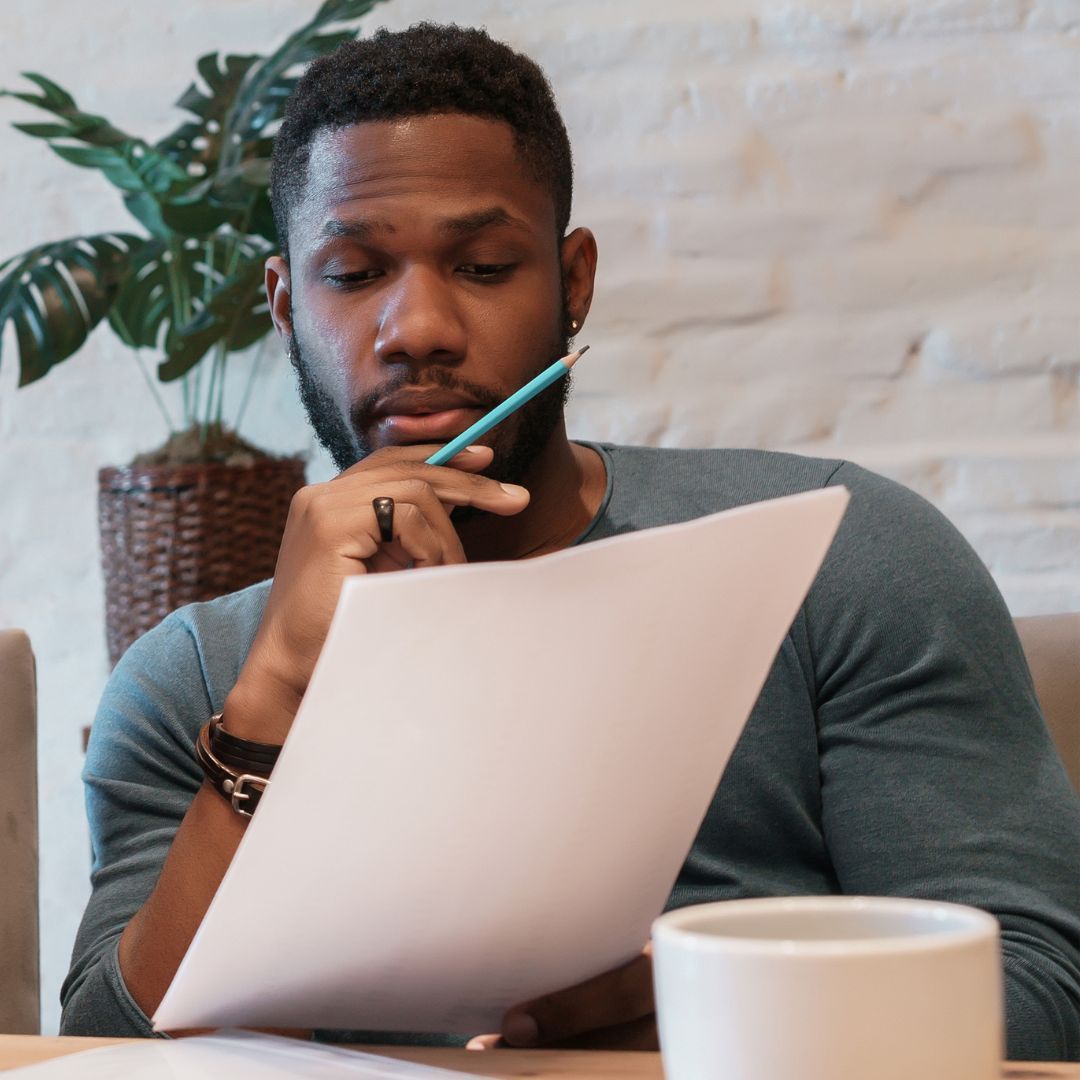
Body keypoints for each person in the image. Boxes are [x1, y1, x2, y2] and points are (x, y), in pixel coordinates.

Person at [60, 23, 1080, 1059]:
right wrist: (276, 688)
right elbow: (110, 1051)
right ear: (285, 305)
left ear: (573, 282)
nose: (417, 326)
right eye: (356, 273)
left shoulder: (845, 557)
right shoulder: (194, 679)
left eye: (485, 264)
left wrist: (706, 1023)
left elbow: (1040, 990)